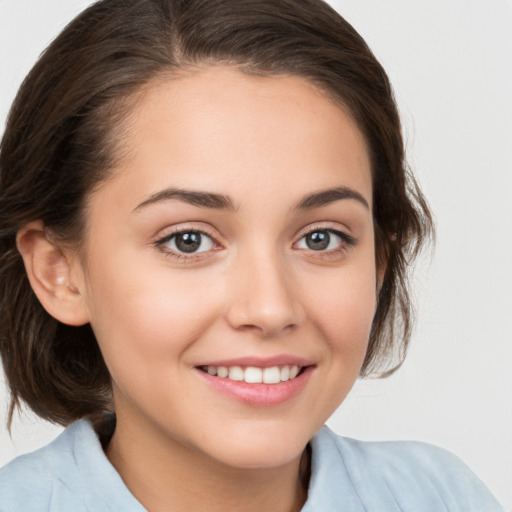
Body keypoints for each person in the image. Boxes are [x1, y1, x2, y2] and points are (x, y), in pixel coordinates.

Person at [0, 0, 505, 510]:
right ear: (59, 272)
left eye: (321, 238)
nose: (270, 309)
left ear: (378, 262)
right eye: (188, 240)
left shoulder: (442, 497)